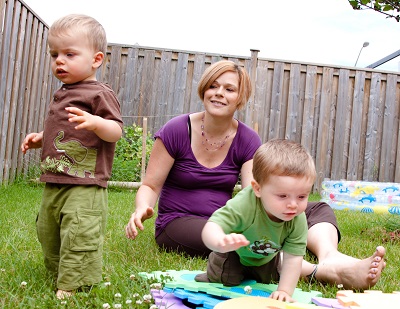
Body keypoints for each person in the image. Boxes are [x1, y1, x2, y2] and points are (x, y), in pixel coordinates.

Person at [125, 60, 385, 290]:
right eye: (213, 86)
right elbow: (150, 185)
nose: (219, 93)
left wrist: (280, 214)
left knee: (315, 208)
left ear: (240, 98)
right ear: (203, 88)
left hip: (234, 218)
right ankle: (321, 271)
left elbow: (258, 191)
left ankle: (330, 255)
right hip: (181, 222)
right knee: (248, 242)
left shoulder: (247, 139)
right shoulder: (176, 130)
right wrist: (142, 208)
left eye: (229, 89)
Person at [21, 14, 123, 299]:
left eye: (69, 54)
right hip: (56, 178)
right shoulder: (63, 92)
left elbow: (115, 131)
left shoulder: (100, 93)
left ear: (96, 59)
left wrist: (96, 123)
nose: (59, 61)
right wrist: (42, 138)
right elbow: (64, 130)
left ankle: (74, 284)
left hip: (85, 182)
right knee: (48, 228)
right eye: (54, 54)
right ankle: (58, 272)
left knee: (79, 232)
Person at [196, 139, 316, 302]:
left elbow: (294, 258)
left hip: (266, 259)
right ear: (258, 189)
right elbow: (212, 226)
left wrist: (285, 291)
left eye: (302, 196)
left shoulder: (297, 219)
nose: (293, 205)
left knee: (265, 286)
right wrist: (220, 241)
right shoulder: (244, 205)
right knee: (224, 282)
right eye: (282, 196)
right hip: (234, 253)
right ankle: (209, 276)